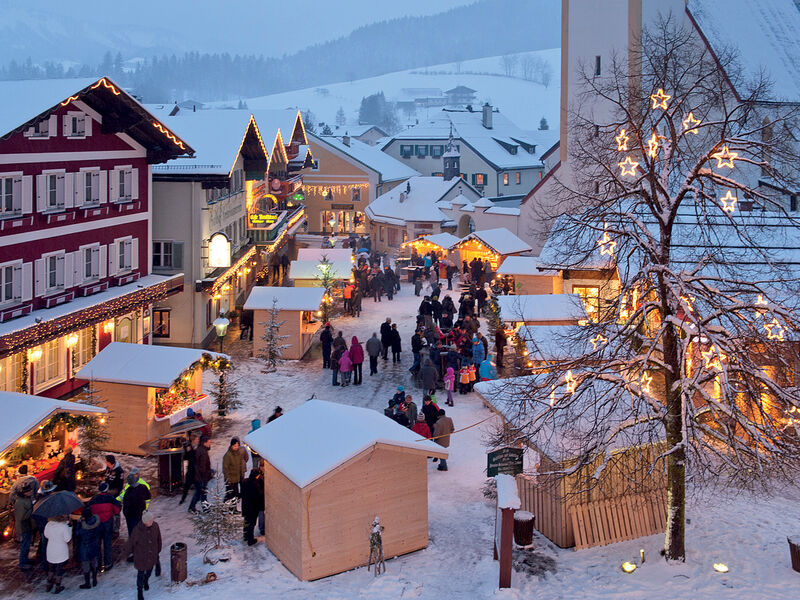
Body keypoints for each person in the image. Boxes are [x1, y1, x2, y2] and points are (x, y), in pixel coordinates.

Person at [123, 512, 161, 600]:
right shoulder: (137, 531)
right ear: (145, 521)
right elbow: (130, 543)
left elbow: (158, 538)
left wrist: (158, 549)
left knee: (149, 571)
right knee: (140, 574)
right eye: (150, 520)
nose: (152, 521)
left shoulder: (155, 526)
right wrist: (125, 555)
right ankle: (139, 590)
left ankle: (146, 580)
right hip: (141, 556)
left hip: (151, 555)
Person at [87, 482, 121, 572]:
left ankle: (97, 564)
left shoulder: (94, 499)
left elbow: (89, 510)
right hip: (107, 523)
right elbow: (117, 510)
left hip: (97, 524)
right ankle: (108, 563)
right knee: (107, 544)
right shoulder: (110, 498)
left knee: (97, 544)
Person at [122, 474, 150, 556]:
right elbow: (148, 496)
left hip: (131, 516)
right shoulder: (143, 487)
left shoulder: (128, 493)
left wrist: (126, 514)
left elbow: (126, 507)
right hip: (141, 513)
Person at [74, 508, 101, 589]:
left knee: (86, 564)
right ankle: (95, 579)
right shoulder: (96, 521)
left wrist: (78, 524)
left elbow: (77, 533)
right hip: (95, 545)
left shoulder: (83, 526)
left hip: (85, 546)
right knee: (94, 561)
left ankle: (87, 583)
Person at [44, 515, 71, 594]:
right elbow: (67, 539)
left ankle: (48, 584)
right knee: (59, 568)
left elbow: (46, 535)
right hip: (60, 549)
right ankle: (58, 586)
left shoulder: (48, 524)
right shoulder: (64, 526)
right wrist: (70, 528)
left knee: (51, 567)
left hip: (51, 548)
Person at [13, 481, 34, 570]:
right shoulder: (20, 502)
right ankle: (22, 563)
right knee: (24, 545)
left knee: (27, 543)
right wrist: (31, 510)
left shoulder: (26, 499)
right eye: (28, 491)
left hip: (27, 525)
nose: (31, 492)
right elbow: (20, 517)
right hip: (23, 526)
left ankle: (25, 559)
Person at [188, 436, 212, 513]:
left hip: (198, 476)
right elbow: (202, 467)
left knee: (199, 493)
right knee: (203, 493)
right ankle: (205, 509)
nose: (210, 443)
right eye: (209, 442)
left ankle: (192, 507)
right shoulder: (202, 452)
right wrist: (205, 476)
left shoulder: (201, 449)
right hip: (201, 477)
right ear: (205, 443)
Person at [241, 468, 264, 546]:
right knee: (252, 523)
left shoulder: (245, 481)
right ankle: (250, 540)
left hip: (245, 506)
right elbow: (259, 495)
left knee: (246, 521)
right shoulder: (256, 484)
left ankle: (245, 536)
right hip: (253, 507)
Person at [179, 434, 198, 504]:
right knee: (187, 485)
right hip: (191, 470)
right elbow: (185, 458)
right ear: (193, 440)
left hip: (196, 470)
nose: (198, 441)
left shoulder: (197, 447)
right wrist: (188, 451)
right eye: (196, 440)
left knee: (199, 486)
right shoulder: (188, 447)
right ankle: (183, 499)